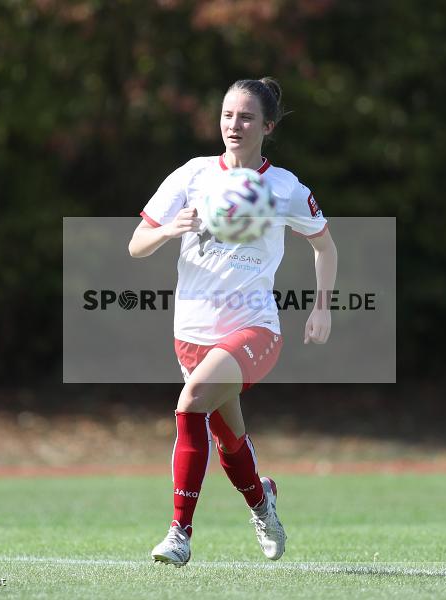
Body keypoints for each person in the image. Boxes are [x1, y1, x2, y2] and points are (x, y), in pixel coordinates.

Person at [128, 77, 337, 567]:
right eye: (227, 115)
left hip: (254, 330)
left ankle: (179, 532)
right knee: (229, 441)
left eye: (245, 117)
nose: (234, 125)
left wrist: (322, 305)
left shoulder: (283, 187)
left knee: (189, 404)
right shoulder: (193, 175)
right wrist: (169, 230)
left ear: (267, 125)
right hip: (191, 336)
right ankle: (262, 500)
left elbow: (325, 245)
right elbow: (136, 245)